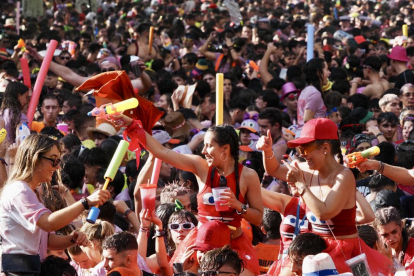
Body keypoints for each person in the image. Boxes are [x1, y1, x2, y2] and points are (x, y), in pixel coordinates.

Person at [117, 114, 263, 276]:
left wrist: (238, 205)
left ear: (225, 149)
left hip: (234, 247)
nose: (203, 151)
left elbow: (258, 218)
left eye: (208, 146)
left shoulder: (248, 176)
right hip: (200, 246)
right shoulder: (201, 167)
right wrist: (133, 125)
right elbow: (162, 151)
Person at [258, 118, 392, 274]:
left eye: (305, 149)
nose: (301, 154)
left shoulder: (344, 176)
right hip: (312, 250)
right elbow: (274, 170)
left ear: (325, 148)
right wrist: (267, 151)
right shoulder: (305, 169)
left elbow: (324, 212)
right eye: (300, 149)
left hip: (345, 254)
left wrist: (301, 185)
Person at [0, 134, 110, 275]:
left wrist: (72, 239)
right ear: (35, 159)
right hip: (16, 270)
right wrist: (86, 202)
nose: (57, 167)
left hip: (31, 268)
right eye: (53, 160)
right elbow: (47, 223)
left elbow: (49, 240)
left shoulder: (32, 192)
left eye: (58, 161)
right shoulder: (19, 190)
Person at [297, 58, 329, 129]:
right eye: (327, 69)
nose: (329, 73)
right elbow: (307, 119)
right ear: (318, 73)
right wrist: (327, 124)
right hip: (310, 137)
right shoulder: (314, 93)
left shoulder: (307, 90)